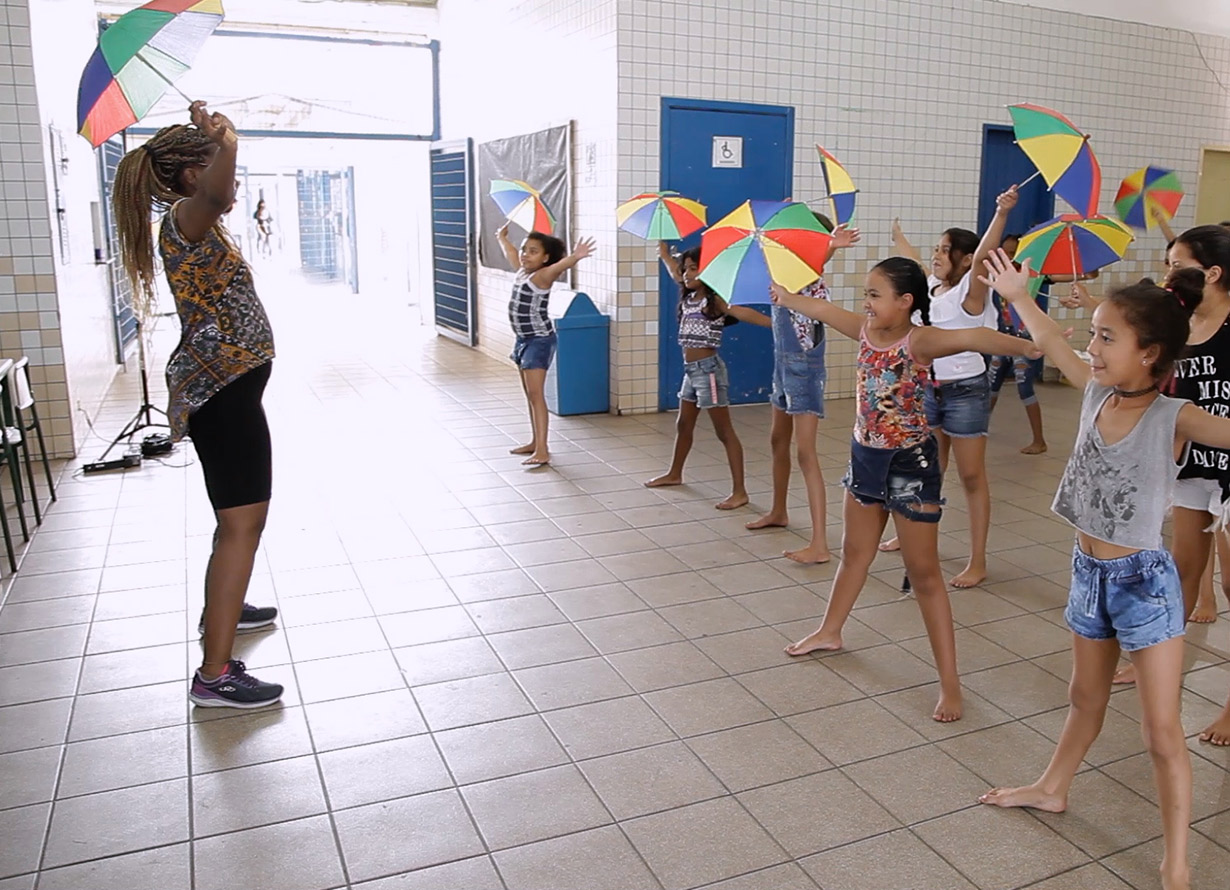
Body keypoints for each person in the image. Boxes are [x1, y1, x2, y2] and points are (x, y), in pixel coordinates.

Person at [975, 249, 1230, 890]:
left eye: (1106, 337)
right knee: (1084, 698)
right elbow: (1046, 338)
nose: (1090, 347)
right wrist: (1016, 291)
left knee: (1160, 730)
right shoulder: (1094, 395)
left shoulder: (1175, 417)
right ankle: (1052, 786)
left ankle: (1176, 861)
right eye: (1094, 334)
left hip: (1146, 584)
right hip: (1089, 574)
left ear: (1149, 354)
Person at [773, 257, 1041, 722]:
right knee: (854, 554)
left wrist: (1033, 347)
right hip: (864, 457)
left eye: (876, 294)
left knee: (925, 576)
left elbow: (976, 338)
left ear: (906, 302)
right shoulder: (862, 329)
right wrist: (785, 293)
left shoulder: (921, 340)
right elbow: (819, 311)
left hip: (910, 466)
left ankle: (950, 685)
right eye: (866, 294)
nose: (867, 302)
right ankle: (830, 630)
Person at [113, 101, 281, 708]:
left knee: (235, 522)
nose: (229, 182)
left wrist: (224, 149)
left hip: (228, 390)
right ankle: (214, 674)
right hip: (223, 395)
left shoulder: (195, 221)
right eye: (217, 169)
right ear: (191, 176)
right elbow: (214, 192)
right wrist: (226, 145)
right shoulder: (189, 214)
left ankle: (226, 611)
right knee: (244, 523)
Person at [882, 188, 1018, 588]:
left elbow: (982, 256)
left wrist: (1001, 212)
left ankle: (978, 560)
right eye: (937, 249)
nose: (938, 255)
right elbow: (913, 261)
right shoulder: (932, 287)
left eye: (946, 250)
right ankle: (914, 535)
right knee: (928, 470)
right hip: (929, 389)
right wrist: (897, 236)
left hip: (966, 391)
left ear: (963, 258)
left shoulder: (971, 293)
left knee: (972, 477)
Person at [744, 217, 861, 564]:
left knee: (806, 454)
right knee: (778, 440)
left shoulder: (807, 275)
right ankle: (779, 510)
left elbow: (814, 262)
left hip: (804, 371)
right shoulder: (785, 276)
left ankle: (820, 543)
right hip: (783, 368)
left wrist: (830, 245)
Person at [645, 246, 770, 509]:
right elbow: (674, 272)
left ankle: (740, 491)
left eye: (694, 268)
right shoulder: (689, 297)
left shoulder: (715, 302)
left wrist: (775, 324)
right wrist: (666, 256)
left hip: (709, 372)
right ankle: (675, 473)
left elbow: (744, 313)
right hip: (691, 372)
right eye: (686, 268)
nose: (687, 274)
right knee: (683, 425)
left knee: (723, 431)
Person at [495, 223, 595, 467]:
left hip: (538, 341)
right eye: (524, 250)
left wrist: (576, 257)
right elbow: (510, 254)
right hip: (523, 340)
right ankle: (535, 441)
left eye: (533, 251)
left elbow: (560, 267)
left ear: (545, 258)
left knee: (536, 395)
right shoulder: (522, 273)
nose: (524, 255)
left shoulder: (542, 276)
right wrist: (501, 238)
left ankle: (542, 449)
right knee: (530, 395)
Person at [988, 233, 1049, 454]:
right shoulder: (999, 275)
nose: (1009, 257)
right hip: (1003, 337)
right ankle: (980, 430)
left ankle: (1039, 440)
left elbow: (1087, 274)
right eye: (1005, 252)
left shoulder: (1032, 275)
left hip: (1023, 338)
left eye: (1013, 253)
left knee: (1024, 388)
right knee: (991, 384)